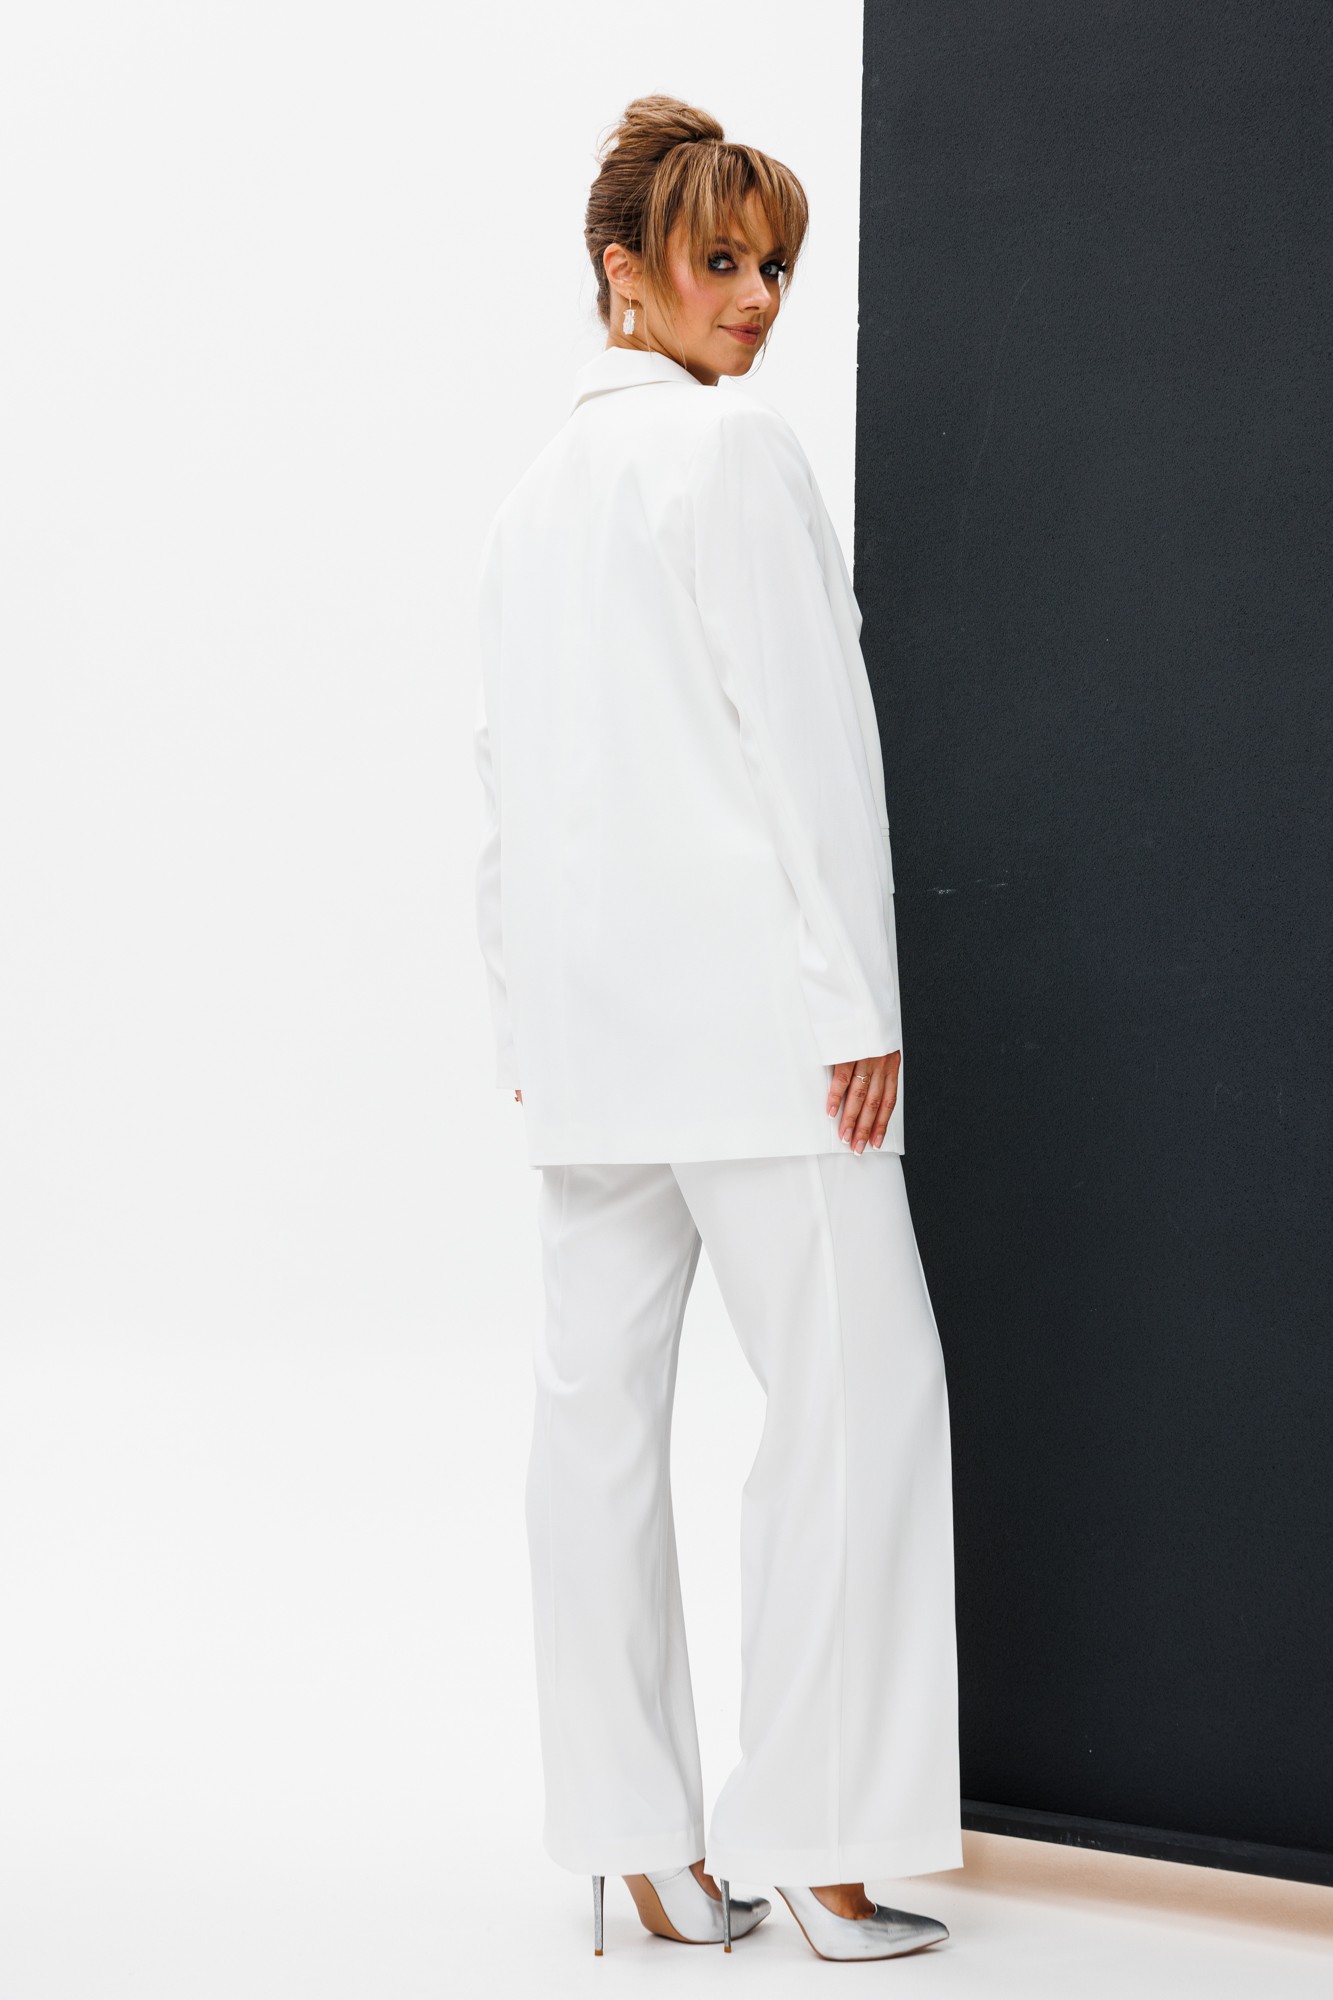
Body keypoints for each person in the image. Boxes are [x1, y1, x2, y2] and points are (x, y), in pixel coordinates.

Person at [472, 93, 961, 1963]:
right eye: (719, 261)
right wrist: (859, 1003)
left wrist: (524, 1016)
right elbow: (808, 748)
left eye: (773, 266)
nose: (754, 298)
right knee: (853, 1407)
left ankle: (638, 1850)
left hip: (592, 1051)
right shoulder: (729, 453)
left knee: (592, 1431)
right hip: (765, 1037)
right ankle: (824, 1850)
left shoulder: (530, 497)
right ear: (626, 272)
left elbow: (505, 788)